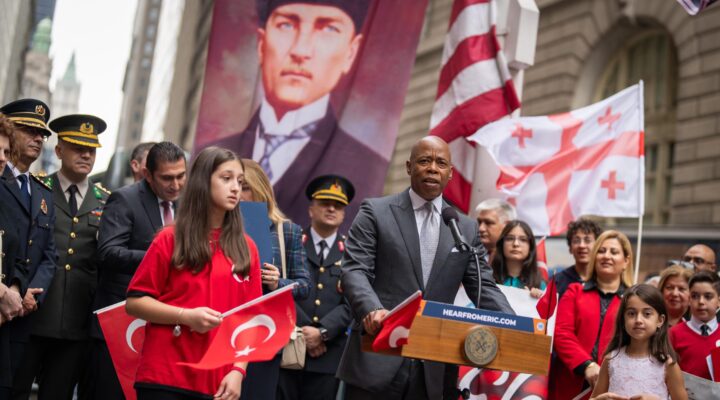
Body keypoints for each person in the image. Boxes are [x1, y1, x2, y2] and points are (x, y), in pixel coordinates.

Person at [338, 136, 513, 400]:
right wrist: (371, 308)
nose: (433, 168)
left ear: (450, 173)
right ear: (409, 167)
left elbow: (483, 287)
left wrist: (514, 324)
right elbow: (355, 270)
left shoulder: (464, 227)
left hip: (432, 367)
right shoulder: (376, 212)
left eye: (441, 163)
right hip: (379, 356)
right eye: (424, 161)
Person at [208, 0, 385, 231]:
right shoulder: (212, 155)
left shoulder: (367, 167)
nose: (300, 51)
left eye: (328, 29)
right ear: (261, 43)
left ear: (351, 52)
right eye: (286, 25)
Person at [126, 146, 261, 399]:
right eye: (226, 178)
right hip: (165, 375)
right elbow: (135, 303)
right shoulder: (169, 238)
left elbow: (250, 319)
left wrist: (238, 371)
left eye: (240, 182)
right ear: (202, 181)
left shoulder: (248, 248)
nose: (235, 188)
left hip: (218, 381)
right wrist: (186, 316)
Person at [12, 115, 110, 400]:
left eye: (91, 150)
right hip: (31, 313)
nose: (85, 155)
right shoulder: (36, 188)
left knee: (58, 394)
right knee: (15, 390)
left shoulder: (106, 200)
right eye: (78, 147)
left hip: (76, 323)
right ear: (58, 151)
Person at [88, 141, 187, 399]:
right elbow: (108, 252)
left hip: (164, 329)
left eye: (181, 176)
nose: (175, 185)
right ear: (147, 175)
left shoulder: (187, 206)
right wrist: (160, 258)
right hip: (121, 322)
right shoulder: (125, 199)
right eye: (167, 178)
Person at [238, 159, 310, 400]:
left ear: (260, 190)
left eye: (245, 186)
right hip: (222, 328)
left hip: (263, 334)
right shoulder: (214, 228)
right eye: (235, 185)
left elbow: (304, 285)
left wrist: (277, 283)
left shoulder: (286, 231)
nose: (239, 193)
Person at [277, 175, 354, 400]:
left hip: (327, 356)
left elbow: (352, 302)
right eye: (325, 203)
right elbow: (279, 289)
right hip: (287, 347)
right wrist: (304, 334)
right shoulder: (290, 242)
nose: (331, 209)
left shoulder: (351, 252)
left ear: (343, 214)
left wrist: (322, 332)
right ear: (311, 209)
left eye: (338, 205)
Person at [0, 99, 56, 391]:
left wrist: (31, 294)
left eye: (42, 134)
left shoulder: (43, 193)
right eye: (29, 130)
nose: (38, 138)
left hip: (24, 312)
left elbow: (49, 254)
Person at [550, 230, 633, 400]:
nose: (606, 256)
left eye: (614, 252)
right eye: (601, 251)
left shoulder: (633, 300)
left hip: (615, 386)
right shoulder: (575, 291)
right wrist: (586, 365)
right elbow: (561, 332)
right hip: (570, 383)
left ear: (625, 261)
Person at [589, 284, 687, 400]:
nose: (638, 320)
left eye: (647, 314)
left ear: (660, 320)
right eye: (631, 313)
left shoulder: (667, 364)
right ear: (623, 318)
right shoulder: (611, 359)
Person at [0, 114, 28, 400]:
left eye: (6, 152)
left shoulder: (9, 197)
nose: (2, 158)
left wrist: (16, 290)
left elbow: (21, 255)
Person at [669, 271, 720, 380]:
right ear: (689, 299)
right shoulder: (674, 333)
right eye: (695, 296)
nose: (701, 301)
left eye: (708, 296)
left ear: (719, 300)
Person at [491, 220, 546, 298]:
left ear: (530, 247)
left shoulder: (540, 285)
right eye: (510, 238)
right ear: (501, 244)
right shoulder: (488, 279)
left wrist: (534, 301)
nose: (516, 244)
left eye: (523, 239)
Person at [553, 218, 603, 299]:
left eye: (587, 240)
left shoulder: (605, 279)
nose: (582, 245)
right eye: (576, 241)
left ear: (598, 246)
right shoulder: (557, 281)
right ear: (570, 248)